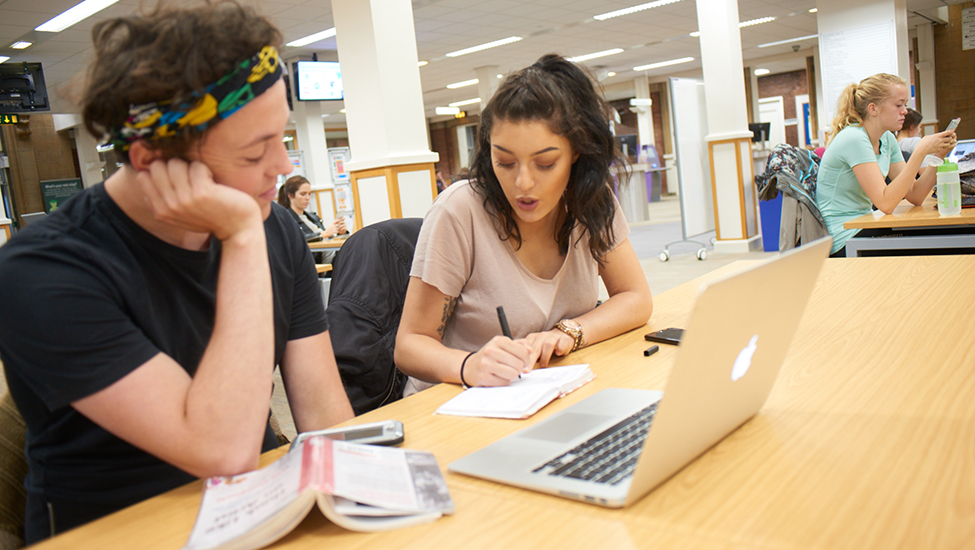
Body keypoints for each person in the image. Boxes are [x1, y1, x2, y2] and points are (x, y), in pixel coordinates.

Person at [0, 2, 354, 542]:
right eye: (256, 150)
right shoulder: (41, 272)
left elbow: (324, 411)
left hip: (258, 512)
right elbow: (221, 450)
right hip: (117, 531)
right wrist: (239, 238)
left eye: (280, 138)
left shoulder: (275, 227)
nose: (283, 167)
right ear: (152, 159)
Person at [394, 54, 654, 393]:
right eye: (504, 161)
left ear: (576, 152)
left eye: (545, 163)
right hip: (458, 405)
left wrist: (569, 333)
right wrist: (469, 364)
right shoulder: (460, 211)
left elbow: (636, 297)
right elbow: (410, 345)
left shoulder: (591, 200)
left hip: (547, 392)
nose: (523, 183)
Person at [815, 73, 957, 256]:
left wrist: (938, 156)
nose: (905, 111)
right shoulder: (854, 138)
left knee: (947, 237)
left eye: (905, 104)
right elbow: (885, 203)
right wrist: (920, 151)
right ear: (873, 109)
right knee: (941, 243)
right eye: (898, 105)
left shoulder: (887, 139)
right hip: (844, 238)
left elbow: (915, 195)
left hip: (864, 225)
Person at [277, 175, 347, 263]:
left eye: (309, 194)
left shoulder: (313, 217)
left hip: (330, 255)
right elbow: (296, 240)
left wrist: (340, 232)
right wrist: (322, 234)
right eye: (303, 194)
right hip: (313, 260)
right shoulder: (285, 219)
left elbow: (327, 238)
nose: (307, 198)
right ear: (290, 195)